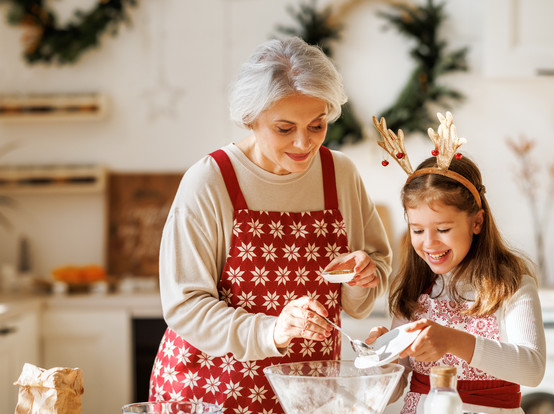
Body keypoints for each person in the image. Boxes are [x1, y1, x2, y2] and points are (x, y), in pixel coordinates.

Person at [148, 37, 392, 413]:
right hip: (211, 392)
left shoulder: (338, 174)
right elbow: (185, 305)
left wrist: (364, 276)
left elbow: (364, 289)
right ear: (250, 118)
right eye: (284, 128)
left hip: (306, 394)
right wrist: (271, 331)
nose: (303, 142)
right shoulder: (211, 181)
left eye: (317, 125)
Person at [369, 113, 546, 414]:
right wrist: (384, 356)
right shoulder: (413, 287)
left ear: (476, 222)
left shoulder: (509, 283)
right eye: (417, 230)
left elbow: (532, 369)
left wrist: (452, 340)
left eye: (443, 229)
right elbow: (391, 391)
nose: (429, 243)